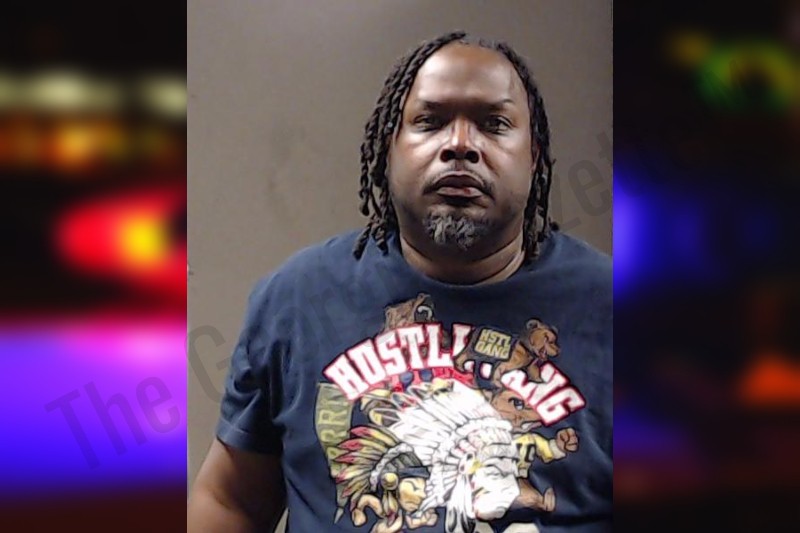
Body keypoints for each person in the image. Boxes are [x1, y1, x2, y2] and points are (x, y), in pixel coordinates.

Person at [188, 31, 611, 533]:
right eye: (430, 122)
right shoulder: (297, 299)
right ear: (390, 147)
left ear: (534, 155)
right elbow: (230, 499)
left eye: (494, 124)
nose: (460, 145)